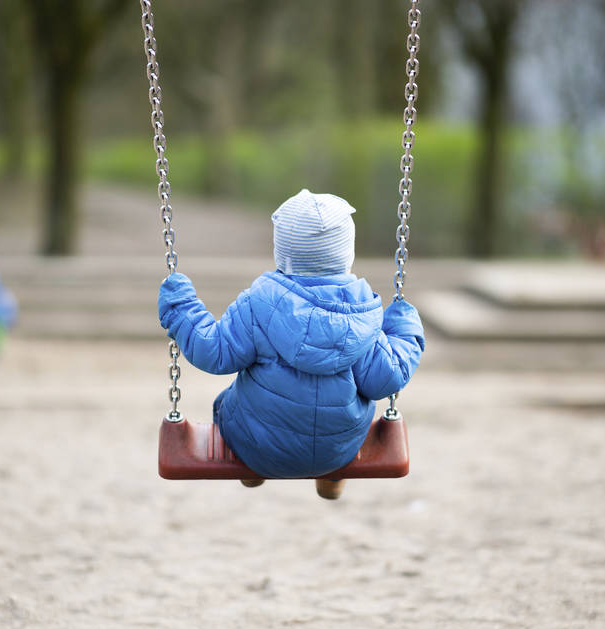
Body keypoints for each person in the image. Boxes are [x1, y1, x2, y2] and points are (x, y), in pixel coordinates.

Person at [158, 189, 425, 499]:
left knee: (227, 403)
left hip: (256, 443)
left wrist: (181, 307)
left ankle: (253, 470)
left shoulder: (259, 303)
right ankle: (331, 476)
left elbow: (213, 352)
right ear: (347, 255)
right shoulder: (362, 313)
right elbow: (386, 378)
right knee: (344, 417)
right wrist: (403, 325)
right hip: (338, 448)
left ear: (281, 253)